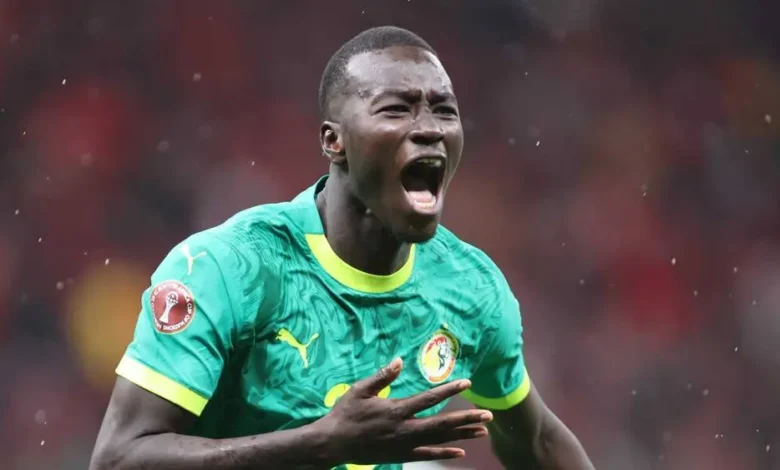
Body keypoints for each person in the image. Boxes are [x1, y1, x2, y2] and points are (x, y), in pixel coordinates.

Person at [89, 26, 594, 470]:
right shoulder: (230, 270)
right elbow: (118, 459)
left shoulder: (469, 289)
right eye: (396, 109)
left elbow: (536, 440)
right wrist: (320, 444)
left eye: (444, 110)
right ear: (334, 141)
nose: (429, 128)